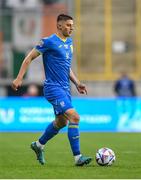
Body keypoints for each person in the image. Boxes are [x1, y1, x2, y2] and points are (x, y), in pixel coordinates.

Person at [12, 14, 92, 166]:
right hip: (53, 88)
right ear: (59, 26)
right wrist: (19, 78)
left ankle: (39, 145)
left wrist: (77, 83)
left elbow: (66, 67)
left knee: (61, 122)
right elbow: (29, 58)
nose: (71, 28)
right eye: (68, 25)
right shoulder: (48, 42)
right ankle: (78, 157)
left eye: (72, 25)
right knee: (74, 117)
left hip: (65, 89)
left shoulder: (69, 42)